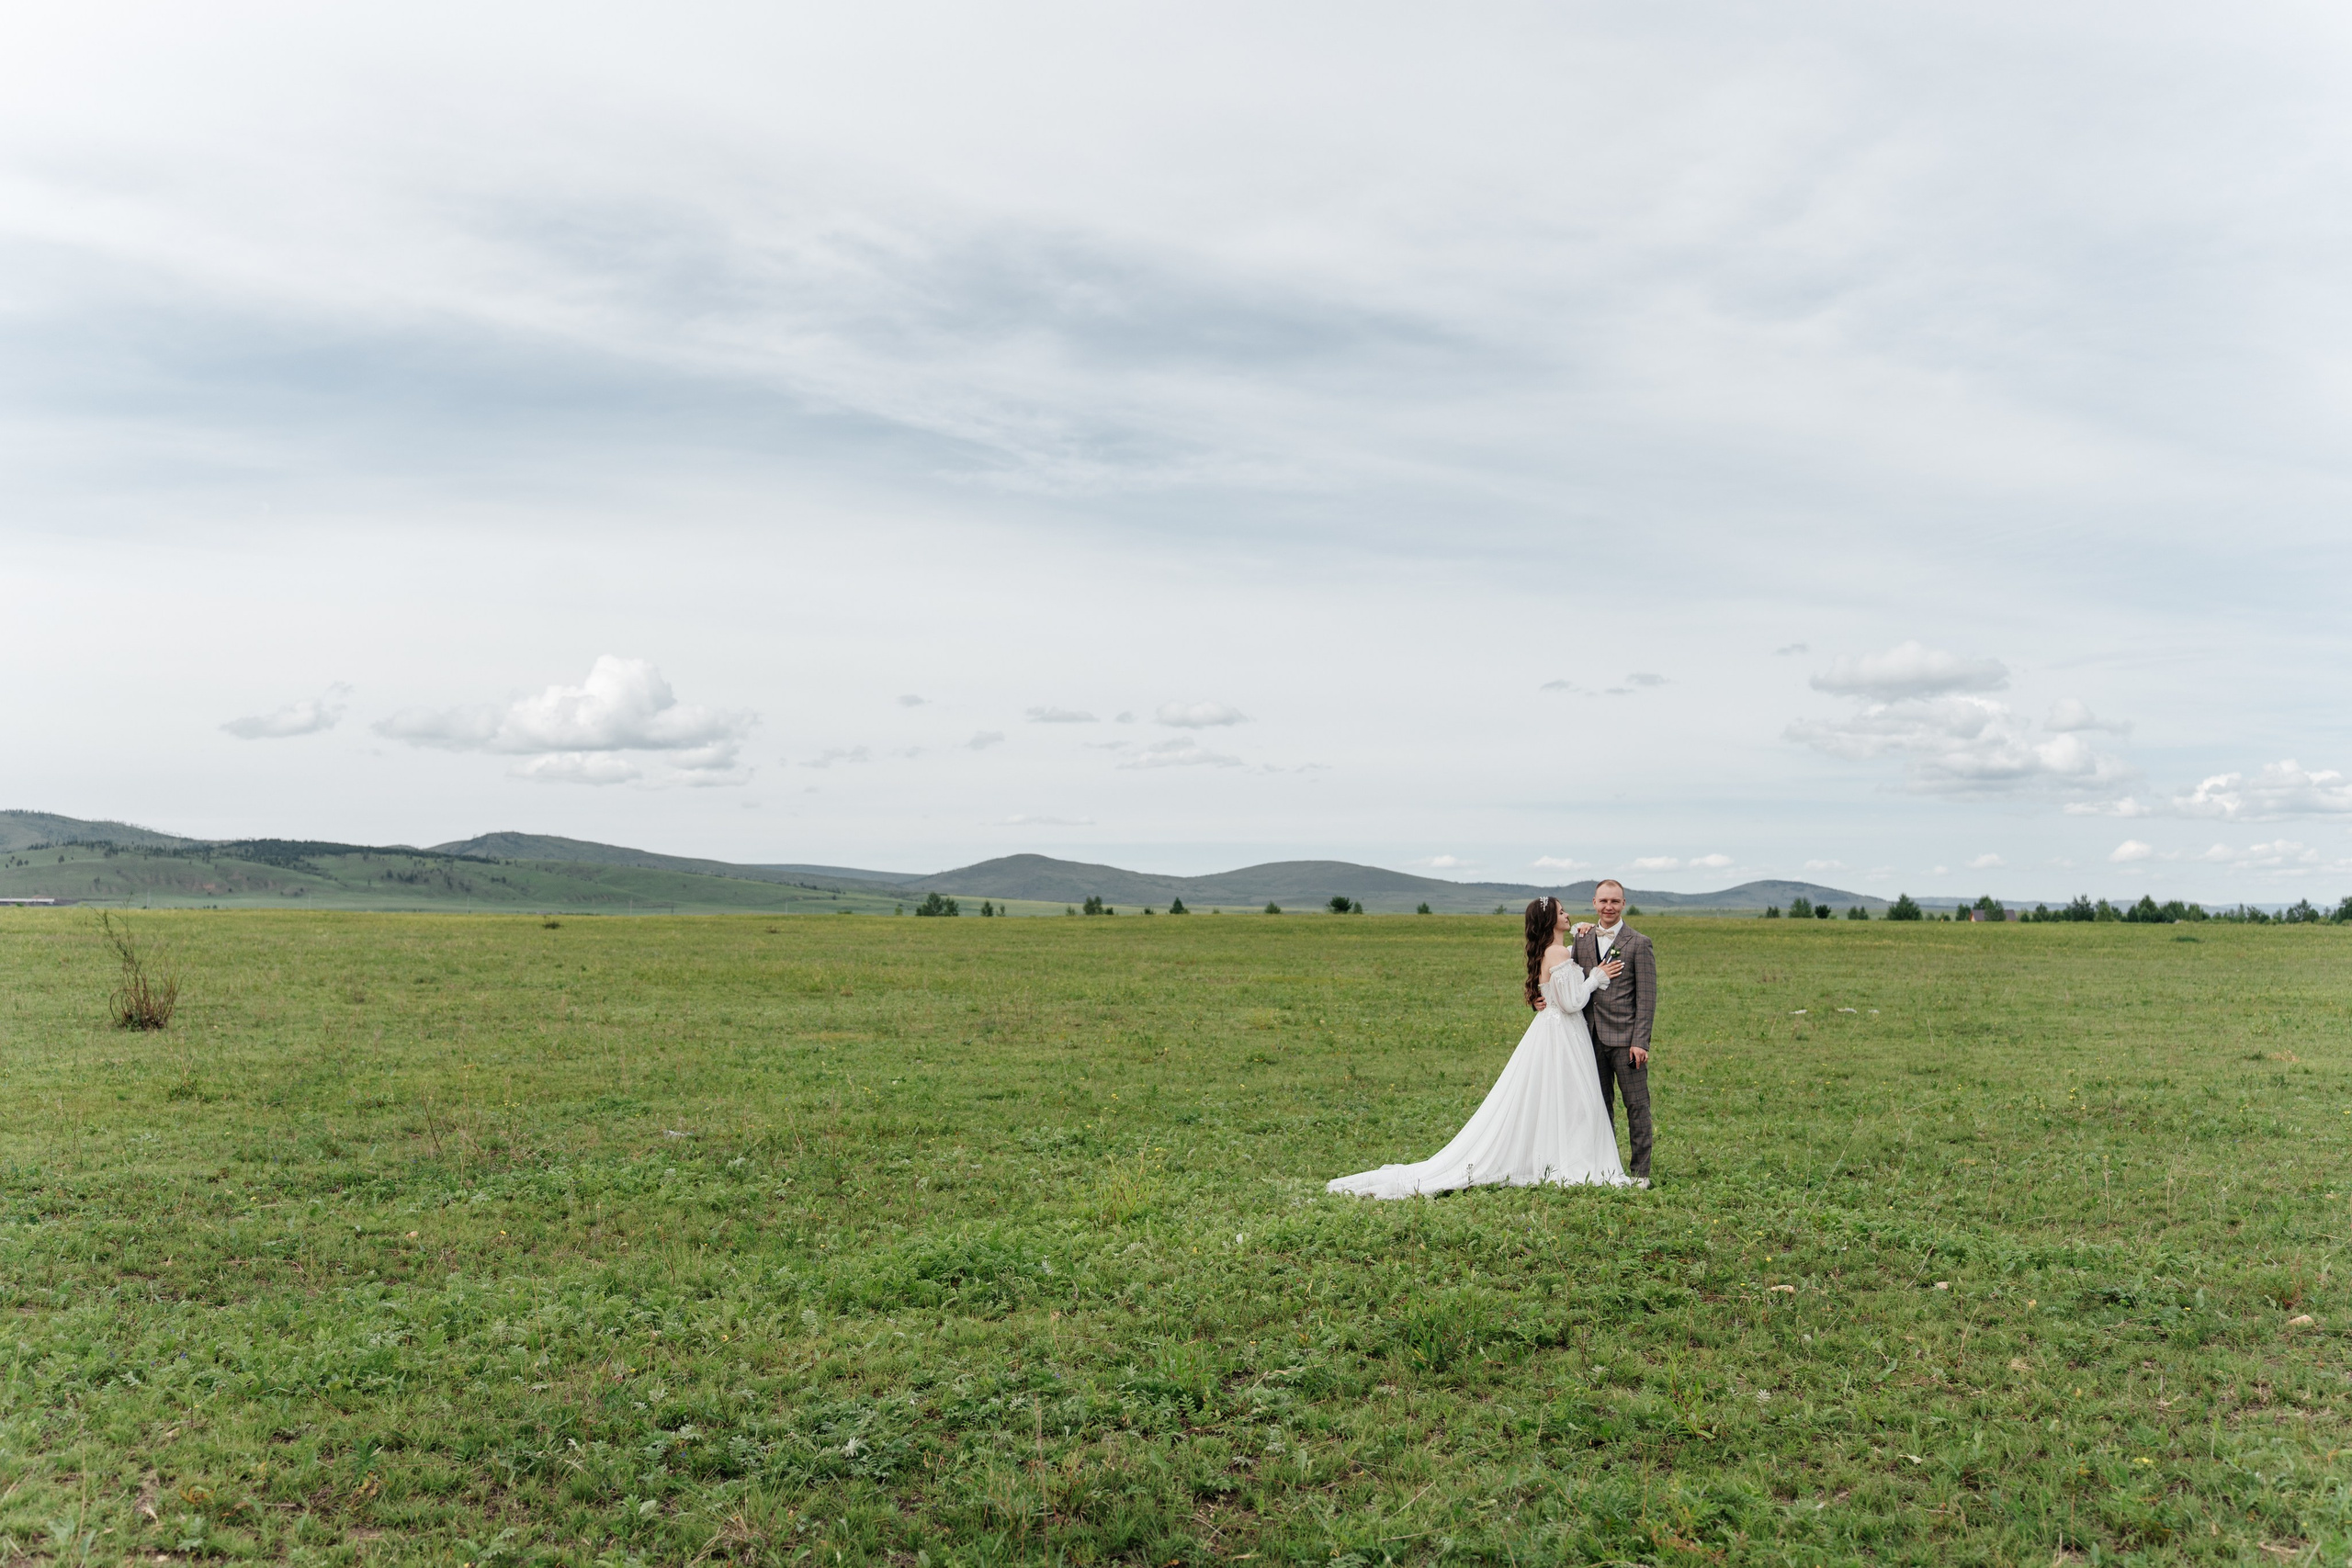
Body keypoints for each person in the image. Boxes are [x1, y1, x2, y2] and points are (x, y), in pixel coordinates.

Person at [1326, 896, 1638, 1198]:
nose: (1567, 915)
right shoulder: (1555, 953)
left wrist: (1579, 931)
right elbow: (1571, 1002)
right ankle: (1571, 1161)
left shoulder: (1553, 950)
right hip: (1564, 1035)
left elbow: (1564, 968)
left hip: (1553, 1033)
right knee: (1572, 1101)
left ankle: (1555, 1156)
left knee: (1552, 1099)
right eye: (1562, 912)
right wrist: (1596, 977)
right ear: (1549, 920)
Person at [1570, 879, 1656, 1185]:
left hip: (1626, 1041)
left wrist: (1640, 1042)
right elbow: (1566, 981)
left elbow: (1646, 997)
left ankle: (1640, 1173)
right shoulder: (1581, 939)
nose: (1609, 907)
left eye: (1615, 902)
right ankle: (1605, 1169)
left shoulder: (1639, 942)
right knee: (1598, 1106)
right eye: (1603, 901)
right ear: (1594, 903)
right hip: (1588, 1038)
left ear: (1624, 904)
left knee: (1636, 1105)